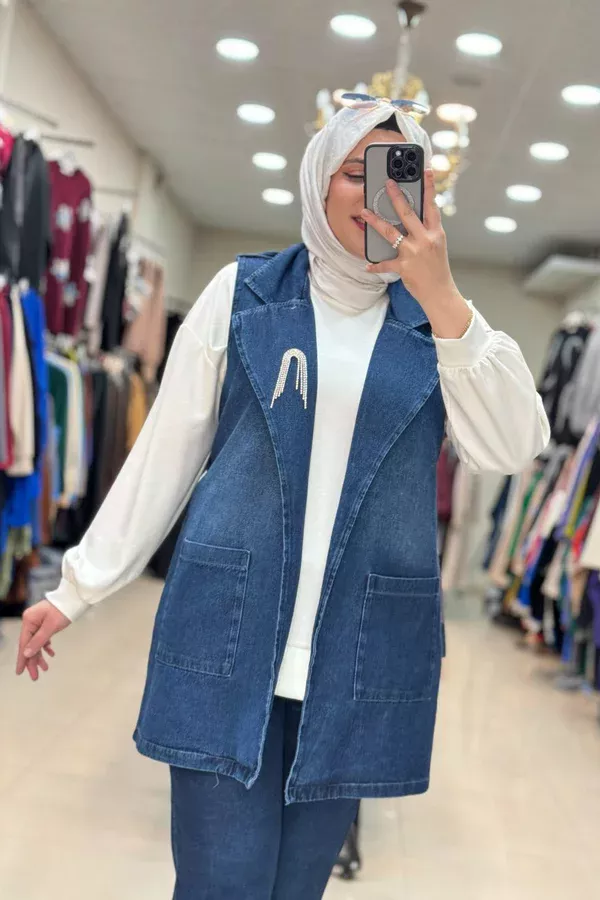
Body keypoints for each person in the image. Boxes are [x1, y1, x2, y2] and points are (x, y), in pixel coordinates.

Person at [16, 102, 550, 899]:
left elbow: (513, 446)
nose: (379, 194)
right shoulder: (244, 294)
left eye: (401, 176)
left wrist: (443, 299)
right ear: (318, 181)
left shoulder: (444, 328)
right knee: (222, 885)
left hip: (359, 659)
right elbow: (166, 451)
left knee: (296, 891)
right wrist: (77, 587)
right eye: (355, 172)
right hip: (227, 635)